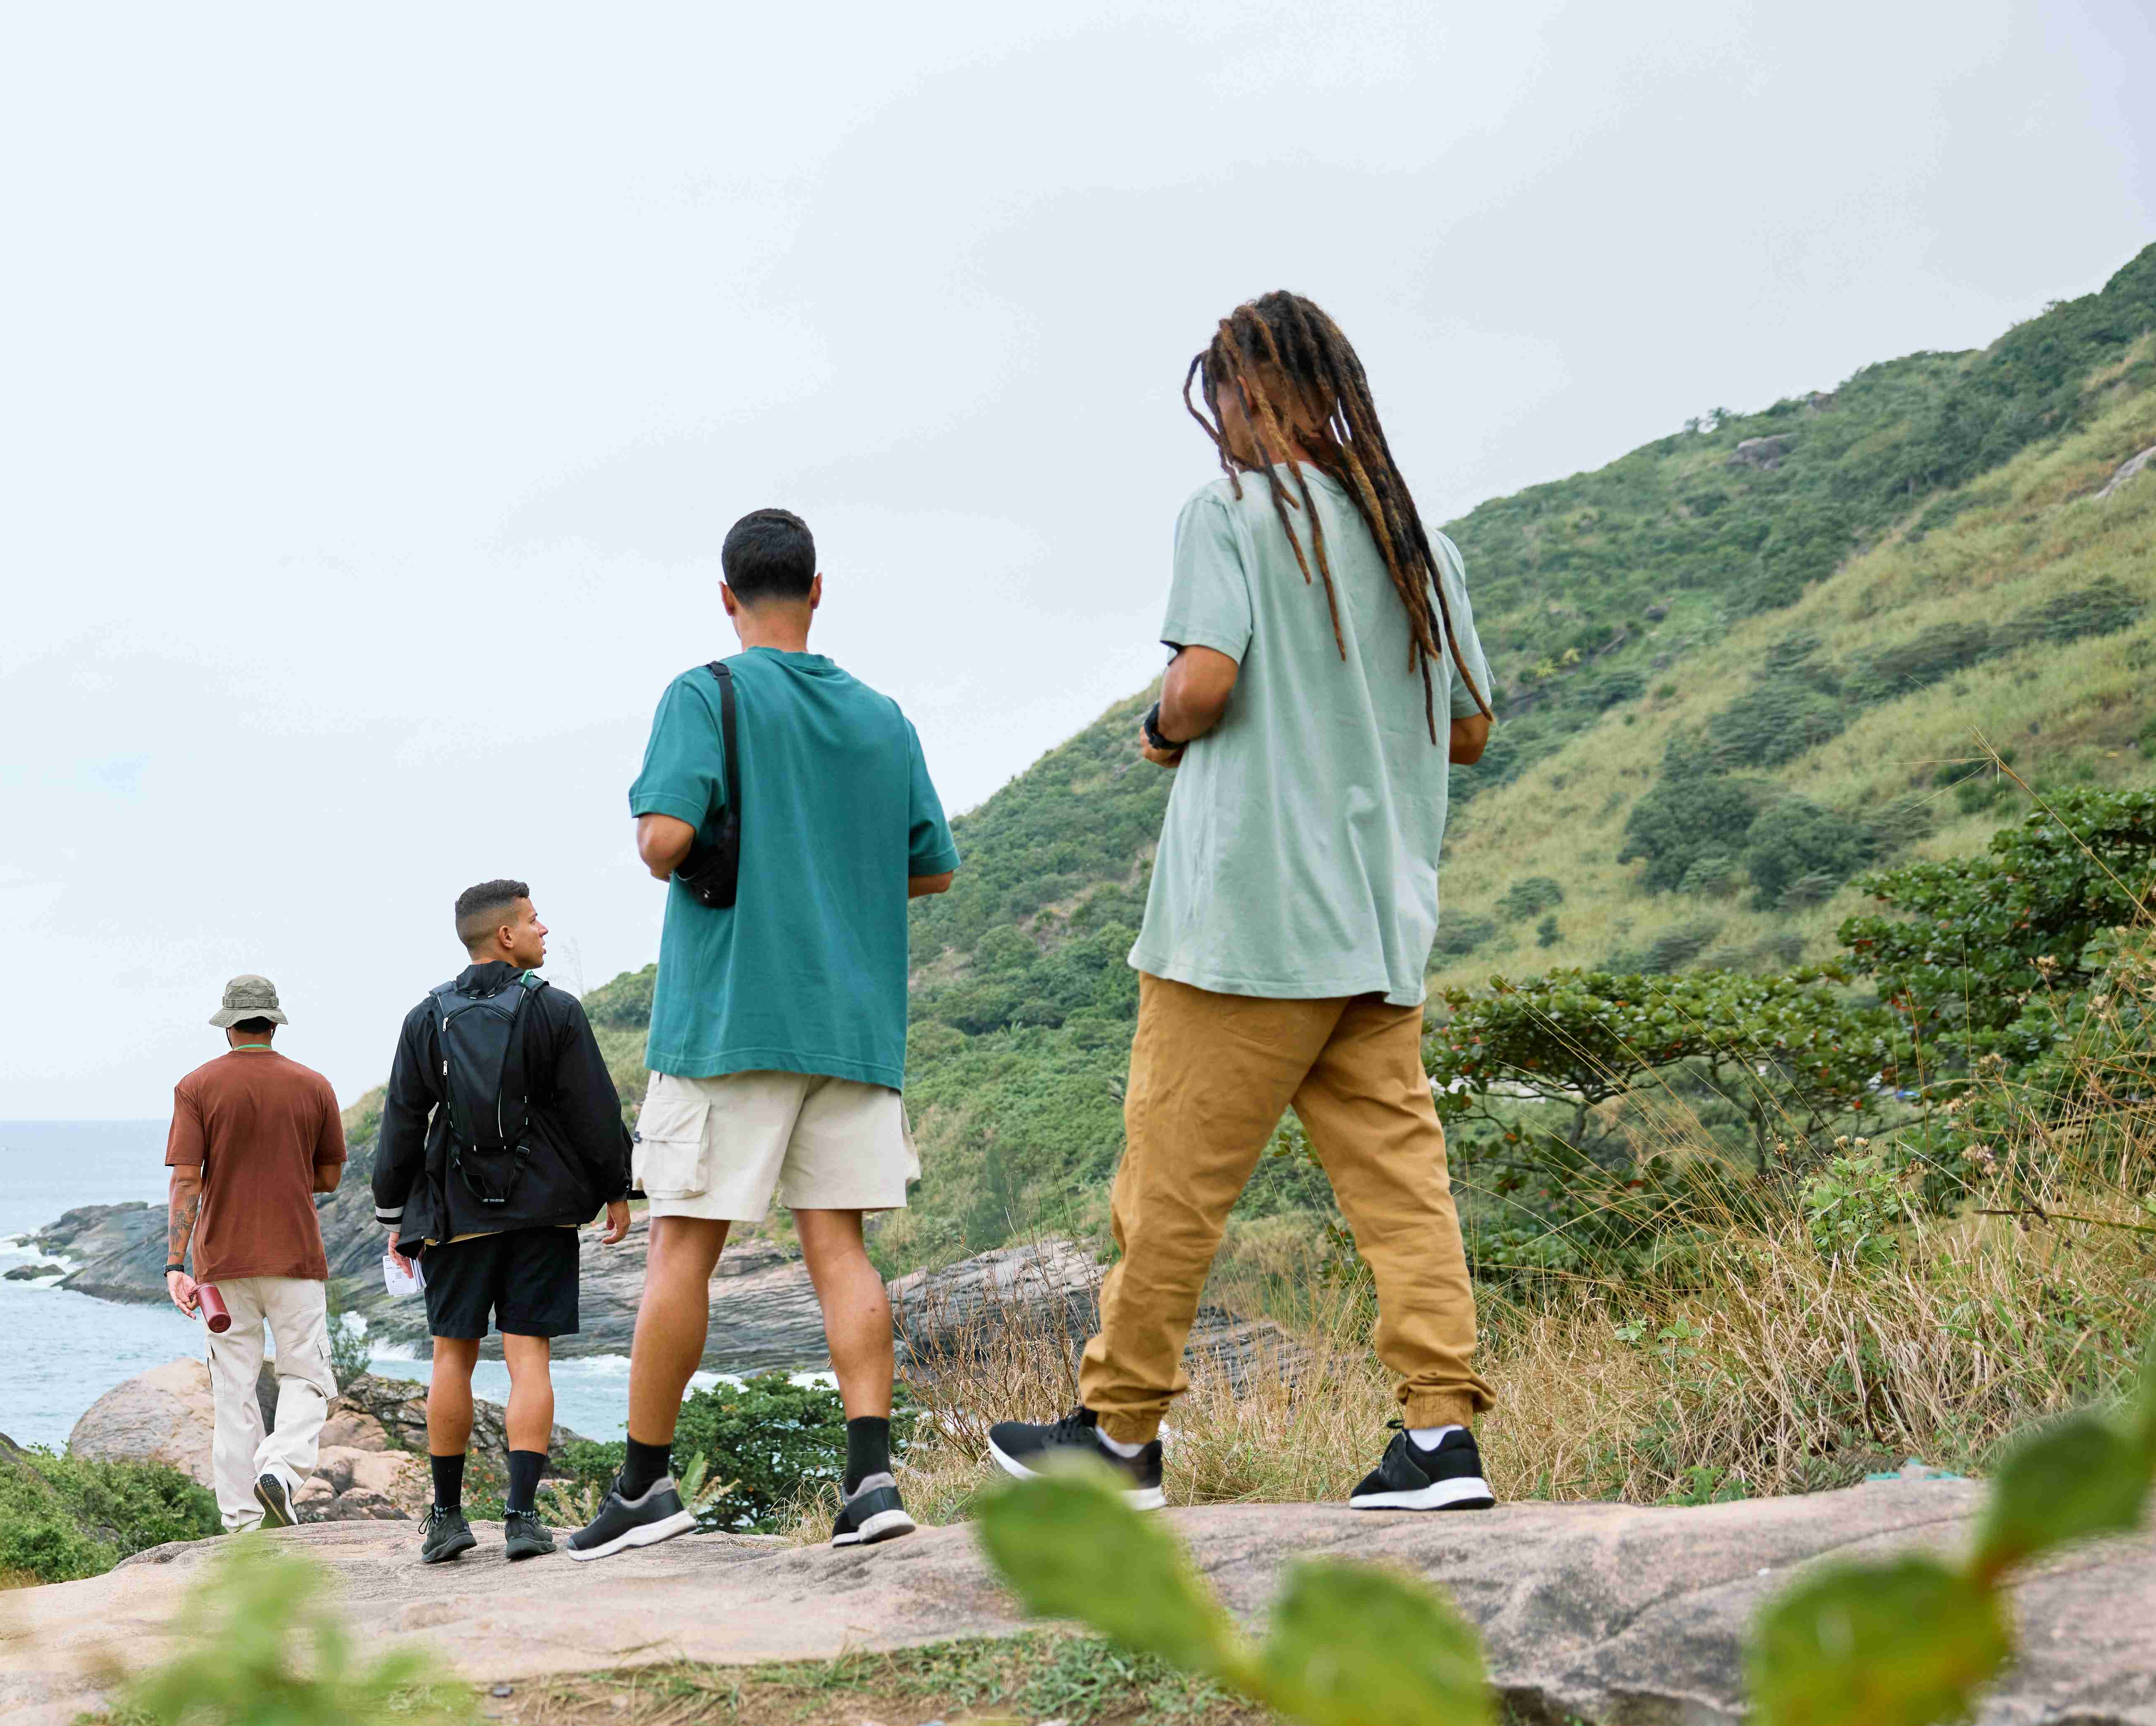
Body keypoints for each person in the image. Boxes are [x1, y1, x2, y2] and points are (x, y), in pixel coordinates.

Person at [987, 290, 1498, 1515]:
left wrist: (1162, 728)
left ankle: (1117, 1438)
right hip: (1378, 926)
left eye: (1227, 405)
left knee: (1170, 1189)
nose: (1225, 430)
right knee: (1402, 1192)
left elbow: (1205, 682)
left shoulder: (1226, 515)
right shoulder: (1418, 542)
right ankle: (1440, 1441)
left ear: (1240, 401)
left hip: (1250, 922)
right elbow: (1471, 728)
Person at [582, 507, 959, 1560]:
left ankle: (645, 1488)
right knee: (840, 1246)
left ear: (724, 595)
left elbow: (663, 839)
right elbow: (928, 864)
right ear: (817, 588)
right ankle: (872, 1480)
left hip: (731, 1020)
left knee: (680, 1253)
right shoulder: (883, 717)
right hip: (853, 1023)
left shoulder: (705, 692)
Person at [371, 880, 635, 1568]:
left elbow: (402, 1120)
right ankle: (521, 1520)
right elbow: (595, 1112)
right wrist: (616, 1189)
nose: (545, 929)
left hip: (454, 1217)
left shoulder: (426, 1017)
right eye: (533, 919)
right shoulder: (557, 1011)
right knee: (529, 1359)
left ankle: (448, 1520)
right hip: (542, 1213)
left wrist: (393, 1213)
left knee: (451, 1358)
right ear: (506, 937)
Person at [162, 974, 350, 1530]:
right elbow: (331, 1175)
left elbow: (187, 1182)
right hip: (295, 1258)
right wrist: (284, 1176)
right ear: (274, 1022)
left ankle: (244, 1521)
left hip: (223, 1265)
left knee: (233, 1390)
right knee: (307, 1377)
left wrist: (177, 1265)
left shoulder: (195, 1087)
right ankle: (280, 1470)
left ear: (228, 1027)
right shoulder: (313, 1086)